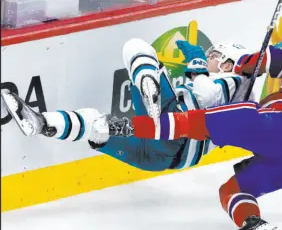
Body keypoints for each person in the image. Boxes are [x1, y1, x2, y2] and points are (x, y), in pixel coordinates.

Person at [124, 38, 282, 230]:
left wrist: (243, 64)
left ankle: (135, 127)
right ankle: (251, 221)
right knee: (232, 190)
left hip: (280, 126)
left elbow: (272, 60)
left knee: (201, 122)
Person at [1, 38, 252, 172]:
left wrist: (197, 64)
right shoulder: (241, 100)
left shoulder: (231, 81)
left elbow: (206, 93)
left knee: (136, 47)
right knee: (97, 124)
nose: (209, 58)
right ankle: (41, 124)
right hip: (159, 161)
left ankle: (151, 101)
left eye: (214, 56)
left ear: (228, 64)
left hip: (173, 132)